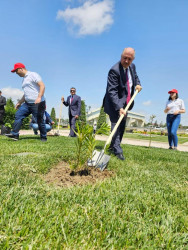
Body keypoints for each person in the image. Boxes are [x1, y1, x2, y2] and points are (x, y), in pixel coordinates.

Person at [103, 47, 142, 160]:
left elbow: (135, 77)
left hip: (127, 103)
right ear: (121, 56)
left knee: (122, 126)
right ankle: (118, 150)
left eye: (129, 59)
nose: (126, 61)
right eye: (124, 58)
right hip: (114, 103)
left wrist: (138, 84)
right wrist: (119, 107)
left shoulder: (132, 67)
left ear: (132, 59)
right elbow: (112, 91)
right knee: (116, 125)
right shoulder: (114, 70)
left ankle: (112, 147)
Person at [5, 63, 47, 141]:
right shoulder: (24, 79)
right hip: (27, 104)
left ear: (21, 69)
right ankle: (15, 134)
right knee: (18, 115)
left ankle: (43, 137)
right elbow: (26, 94)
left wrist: (39, 97)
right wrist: (20, 102)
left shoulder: (33, 75)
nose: (16, 73)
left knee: (40, 120)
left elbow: (42, 85)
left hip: (37, 103)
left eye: (16, 71)